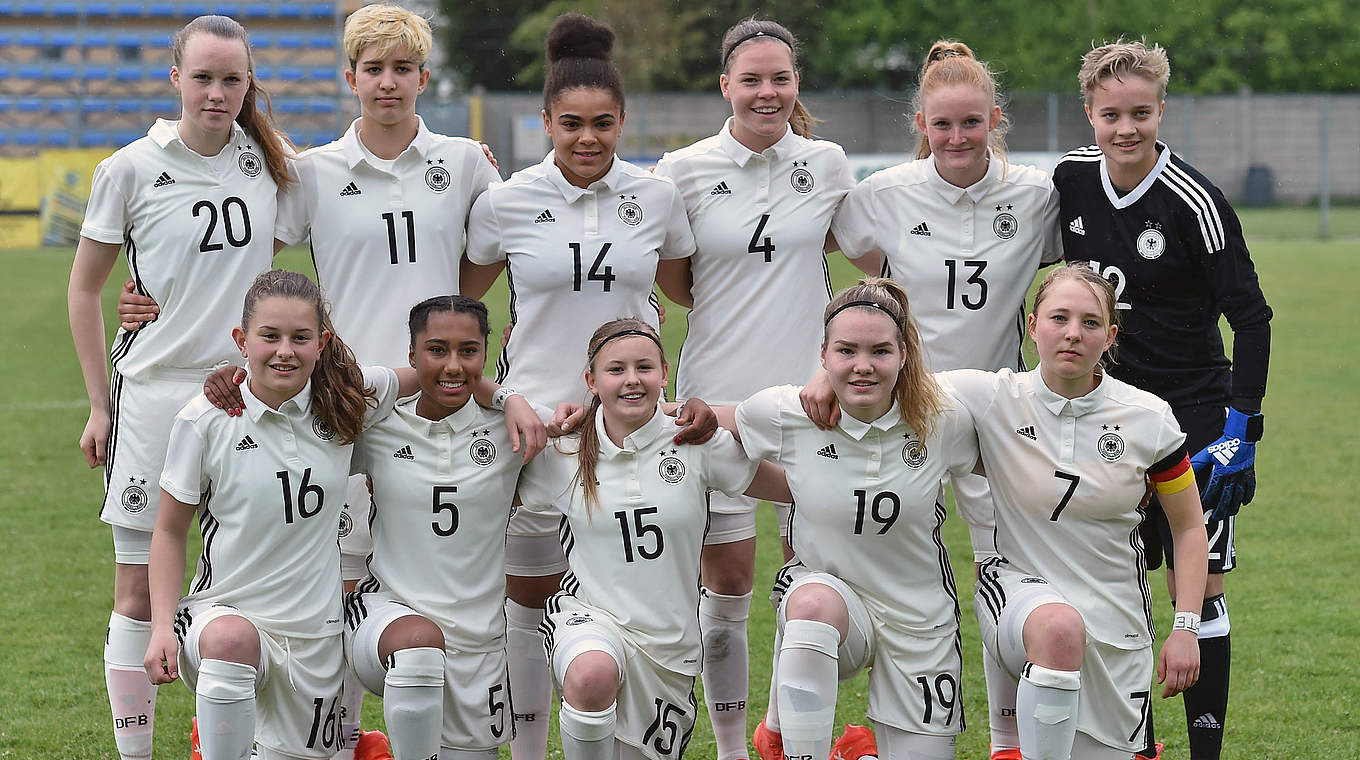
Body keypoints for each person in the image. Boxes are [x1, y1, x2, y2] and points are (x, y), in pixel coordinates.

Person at [460, 14, 697, 760]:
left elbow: (691, 289)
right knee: (527, 603)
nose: (587, 138)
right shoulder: (506, 200)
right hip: (531, 431)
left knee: (617, 609)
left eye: (602, 124)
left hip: (628, 430)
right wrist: (506, 395)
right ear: (545, 123)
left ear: (623, 120)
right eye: (570, 124)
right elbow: (462, 305)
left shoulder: (656, 198)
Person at [819, 40, 1062, 758]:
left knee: (1002, 574)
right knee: (865, 568)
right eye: (941, 125)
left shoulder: (1037, 195)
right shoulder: (887, 193)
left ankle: (1008, 739)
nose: (957, 137)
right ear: (919, 124)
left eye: (971, 123)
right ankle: (801, 723)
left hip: (995, 414)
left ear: (995, 119)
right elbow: (860, 268)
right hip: (901, 412)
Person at [67, 15, 290, 760]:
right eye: (203, 77)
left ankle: (253, 740)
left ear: (249, 81)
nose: (217, 92)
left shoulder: (274, 164)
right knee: (137, 592)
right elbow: (84, 291)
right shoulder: (129, 168)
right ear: (175, 79)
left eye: (232, 78)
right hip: (156, 400)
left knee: (253, 586)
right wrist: (101, 405)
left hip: (249, 403)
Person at [1052, 40, 1271, 760]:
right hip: (1105, 411)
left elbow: (1252, 317)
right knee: (1112, 580)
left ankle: (1205, 749)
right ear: (1089, 113)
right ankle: (1132, 739)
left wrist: (1243, 425)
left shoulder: (1195, 202)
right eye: (1111, 114)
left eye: (1140, 113)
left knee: (1199, 583)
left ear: (1160, 110)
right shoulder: (1072, 181)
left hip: (1194, 418)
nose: (1126, 129)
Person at [649, 20, 856, 759]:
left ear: (796, 84)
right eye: (752, 79)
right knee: (728, 586)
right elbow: (679, 283)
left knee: (812, 582)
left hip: (812, 405)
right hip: (715, 406)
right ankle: (734, 747)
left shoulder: (827, 163)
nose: (767, 92)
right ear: (725, 86)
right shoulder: (683, 169)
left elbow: (847, 246)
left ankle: (783, 731)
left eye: (780, 78)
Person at [142, 269, 415, 760]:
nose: (284, 350)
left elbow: (436, 375)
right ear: (241, 341)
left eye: (300, 337)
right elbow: (167, 531)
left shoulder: (347, 402)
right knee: (230, 640)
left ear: (322, 341)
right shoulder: (204, 419)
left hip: (314, 632)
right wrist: (162, 625)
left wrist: (503, 397)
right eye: (269, 336)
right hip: (223, 615)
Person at [945, 264, 1209, 759]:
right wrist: (825, 377)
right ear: (1032, 326)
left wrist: (1187, 627)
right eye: (1059, 318)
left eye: (1089, 323)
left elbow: (1189, 527)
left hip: (1118, 624)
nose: (1072, 334)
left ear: (1109, 336)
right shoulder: (991, 397)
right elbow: (890, 376)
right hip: (1019, 594)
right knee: (1060, 628)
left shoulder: (1148, 419)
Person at [721, 278, 981, 760]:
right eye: (846, 351)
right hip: (834, 606)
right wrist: (596, 417)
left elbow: (1013, 458)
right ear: (823, 354)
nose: (863, 365)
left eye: (880, 351)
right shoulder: (786, 412)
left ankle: (858, 752)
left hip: (918, 620)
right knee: (811, 604)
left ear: (905, 354)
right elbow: (698, 423)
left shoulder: (943, 418)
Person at [516, 318, 790, 760]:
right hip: (590, 622)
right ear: (591, 380)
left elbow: (787, 487)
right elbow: (484, 491)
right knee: (590, 675)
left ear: (664, 373)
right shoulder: (562, 453)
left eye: (644, 368)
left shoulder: (696, 442)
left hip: (669, 650)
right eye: (615, 369)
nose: (631, 380)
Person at [345, 295, 532, 760]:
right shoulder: (379, 427)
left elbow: (597, 435)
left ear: (485, 354)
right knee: (418, 644)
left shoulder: (512, 432)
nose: (453, 365)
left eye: (468, 351)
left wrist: (510, 399)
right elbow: (304, 399)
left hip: (478, 645)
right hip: (387, 619)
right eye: (436, 350)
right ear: (411, 356)